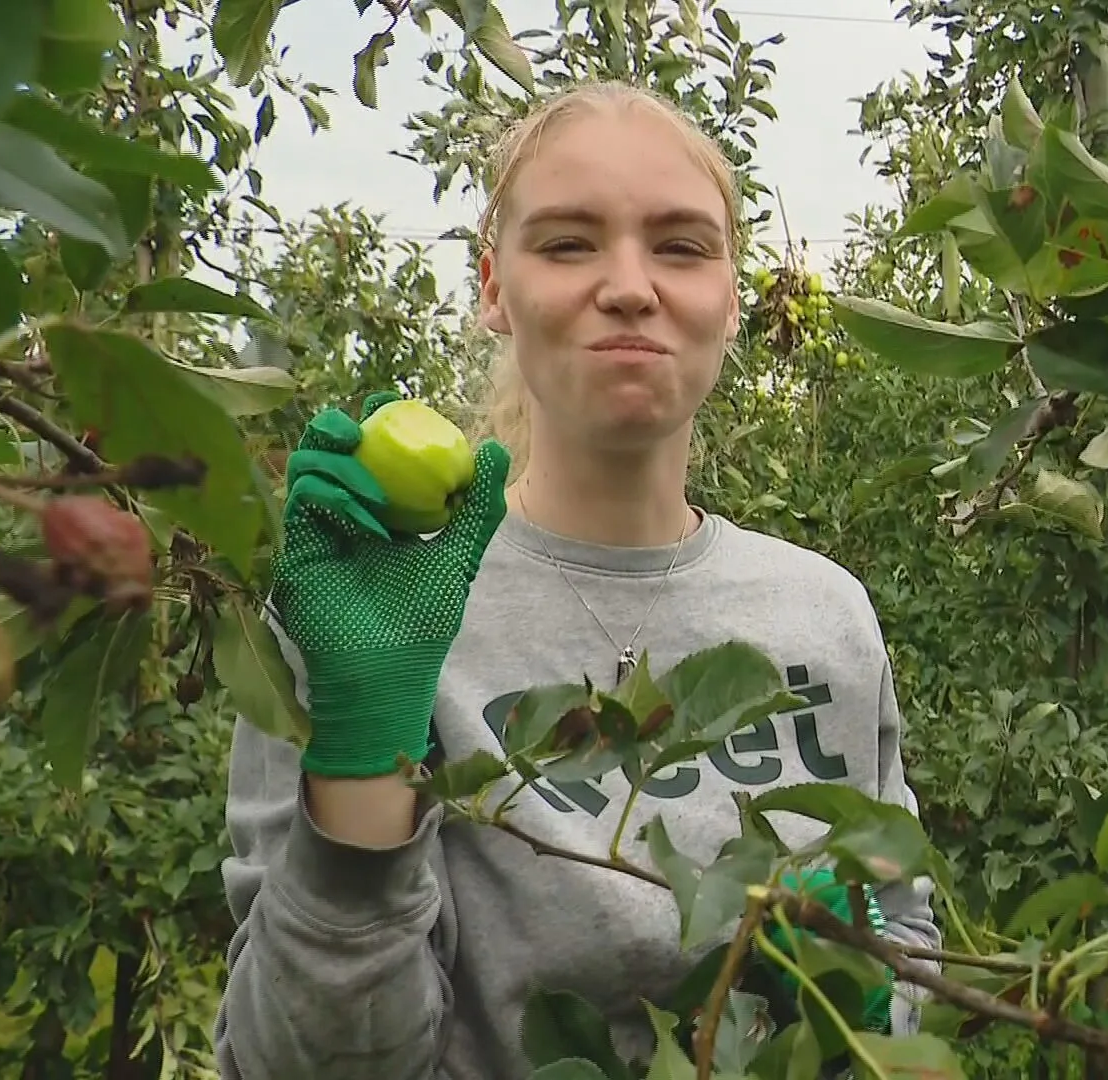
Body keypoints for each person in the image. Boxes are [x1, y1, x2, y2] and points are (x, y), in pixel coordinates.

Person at [211, 81, 941, 1079]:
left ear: (732, 298)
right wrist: (358, 766)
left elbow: (910, 943)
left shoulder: (822, 616)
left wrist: (860, 994)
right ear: (494, 290)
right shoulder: (373, 613)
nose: (631, 285)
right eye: (567, 244)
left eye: (682, 246)